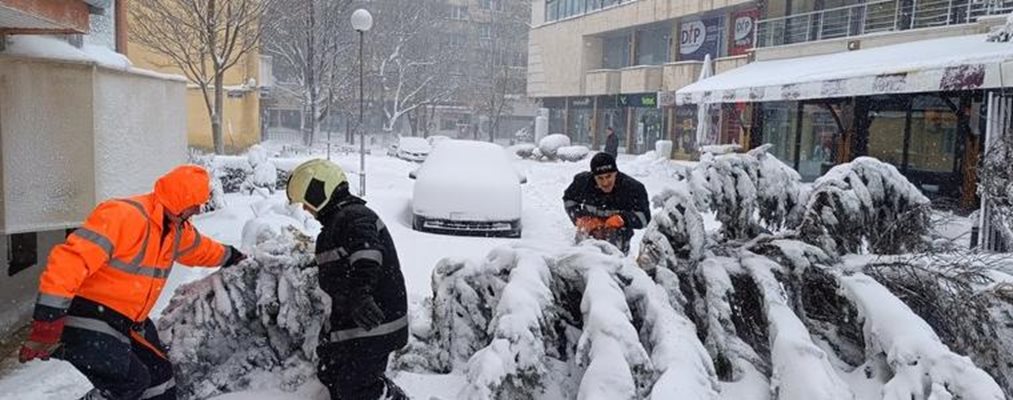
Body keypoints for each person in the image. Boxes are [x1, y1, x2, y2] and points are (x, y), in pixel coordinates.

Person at [19, 165, 247, 400]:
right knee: (130, 382)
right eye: (195, 203)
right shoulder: (125, 216)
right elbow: (69, 262)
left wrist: (233, 256)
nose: (198, 209)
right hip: (85, 316)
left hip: (126, 321)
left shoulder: (175, 230)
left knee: (161, 379)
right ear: (181, 200)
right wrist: (48, 320)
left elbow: (201, 249)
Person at [286, 159, 409, 400]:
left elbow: (368, 254)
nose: (305, 210)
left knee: (356, 389)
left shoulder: (354, 216)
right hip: (354, 325)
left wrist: (359, 295)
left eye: (306, 202)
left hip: (375, 322)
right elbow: (338, 274)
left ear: (319, 190)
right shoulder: (336, 224)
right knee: (332, 373)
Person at [563, 152, 650, 254]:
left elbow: (645, 218)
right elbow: (568, 200)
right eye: (600, 178)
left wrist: (622, 219)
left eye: (609, 176)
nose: (605, 183)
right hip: (589, 234)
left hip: (617, 241)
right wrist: (579, 218)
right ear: (593, 176)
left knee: (613, 240)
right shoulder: (583, 182)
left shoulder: (633, 188)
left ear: (616, 173)